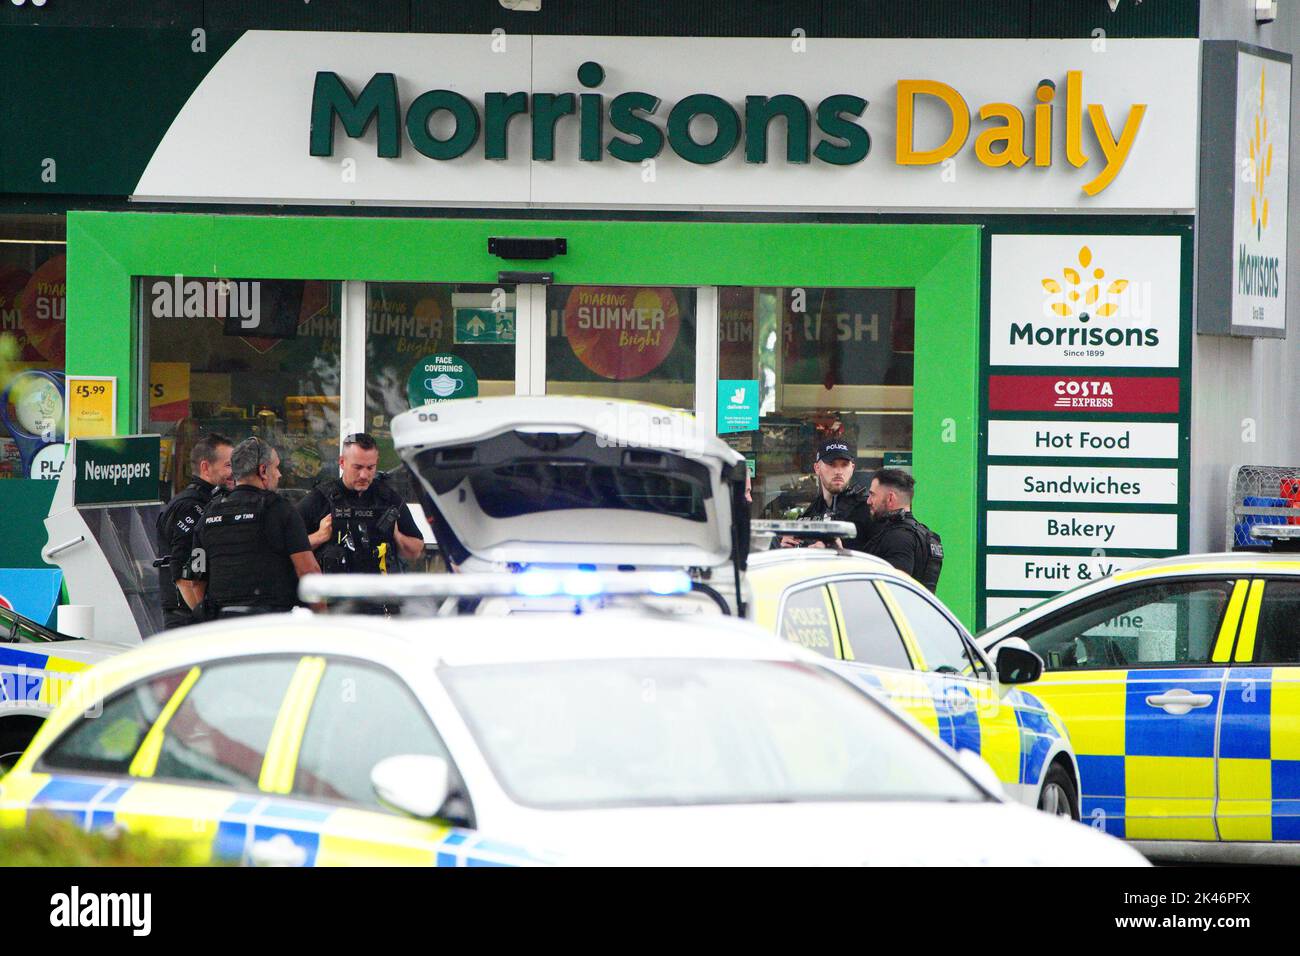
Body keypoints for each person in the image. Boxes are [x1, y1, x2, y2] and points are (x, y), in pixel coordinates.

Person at [191, 437, 320, 617]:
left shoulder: (209, 513)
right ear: (263, 470)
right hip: (269, 625)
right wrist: (323, 617)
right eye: (276, 467)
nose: (280, 474)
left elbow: (197, 581)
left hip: (222, 627)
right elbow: (308, 571)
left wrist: (209, 618)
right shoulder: (279, 510)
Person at [297, 433, 425, 575]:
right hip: (335, 593)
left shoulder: (387, 498)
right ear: (342, 463)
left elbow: (416, 550)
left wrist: (396, 535)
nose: (364, 475)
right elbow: (288, 546)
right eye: (357, 467)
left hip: (379, 593)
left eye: (370, 468)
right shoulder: (320, 498)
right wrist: (319, 536)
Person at [155, 433, 233, 630]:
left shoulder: (211, 501)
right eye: (228, 465)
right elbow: (182, 575)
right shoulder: (189, 506)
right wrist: (204, 620)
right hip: (187, 620)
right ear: (205, 467)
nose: (234, 472)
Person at [779, 437, 876, 551]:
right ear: (817, 468)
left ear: (852, 468)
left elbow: (885, 558)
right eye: (832, 464)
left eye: (844, 465)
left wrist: (839, 552)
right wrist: (787, 544)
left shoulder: (867, 510)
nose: (839, 471)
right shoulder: (811, 511)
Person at [864, 468, 944, 592]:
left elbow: (894, 590)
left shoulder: (899, 537)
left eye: (872, 494)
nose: (868, 501)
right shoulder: (924, 535)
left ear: (890, 498)